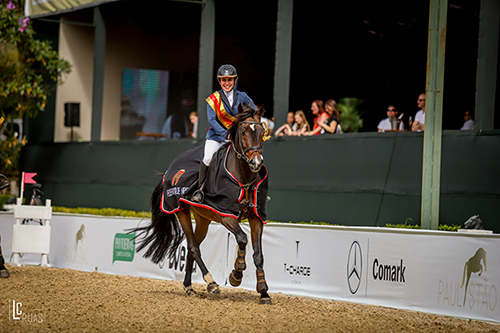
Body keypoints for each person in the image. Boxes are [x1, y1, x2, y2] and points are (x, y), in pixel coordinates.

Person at [191, 64, 256, 203]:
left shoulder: (242, 96)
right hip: (217, 137)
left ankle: (256, 189)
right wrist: (225, 134)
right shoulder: (213, 99)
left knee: (253, 155)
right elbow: (212, 120)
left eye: (229, 80)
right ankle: (200, 189)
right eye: (223, 80)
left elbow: (254, 110)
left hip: (236, 138)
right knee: (208, 158)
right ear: (219, 81)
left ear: (235, 80)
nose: (227, 83)